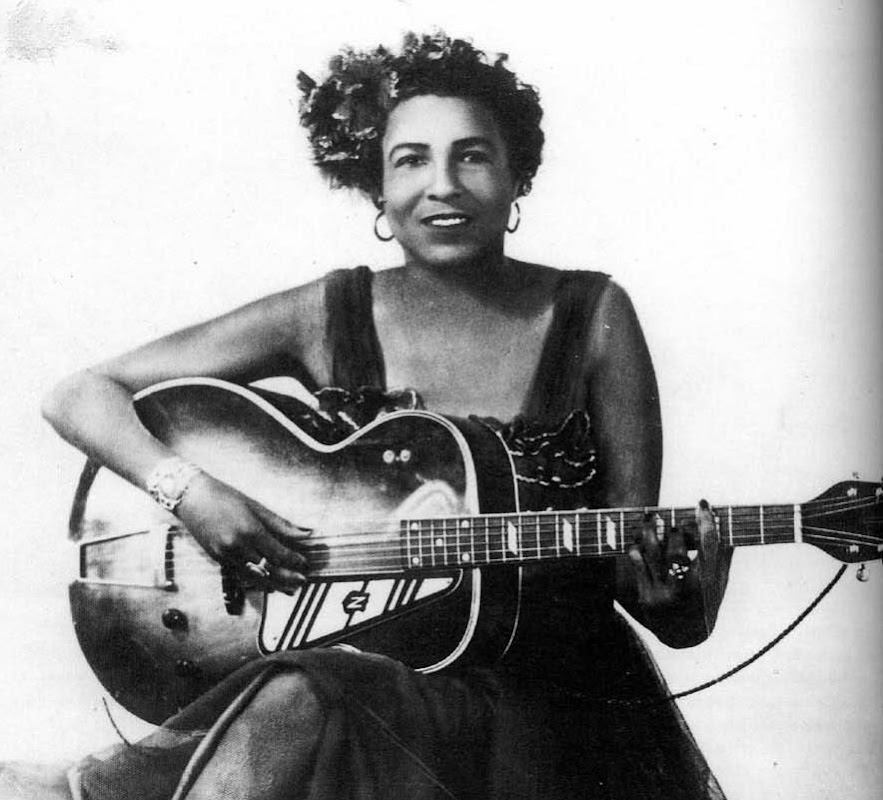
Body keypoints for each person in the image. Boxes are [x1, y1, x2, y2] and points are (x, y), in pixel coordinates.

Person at [8, 31, 731, 800]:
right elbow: (77, 395)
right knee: (311, 693)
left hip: (545, 721)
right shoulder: (330, 313)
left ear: (517, 174)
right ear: (376, 188)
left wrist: (684, 597)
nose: (442, 185)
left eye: (472, 156)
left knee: (308, 697)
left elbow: (649, 586)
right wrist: (194, 493)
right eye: (410, 160)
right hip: (362, 683)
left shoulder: (593, 316)